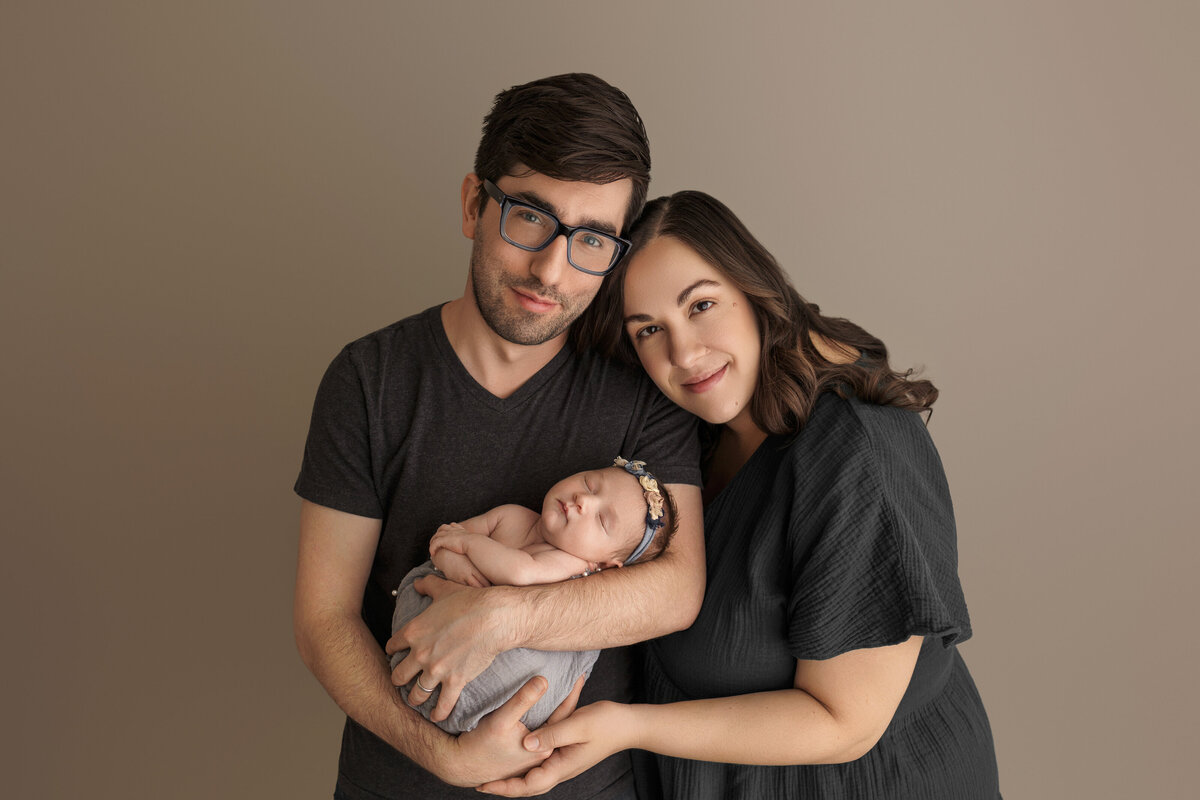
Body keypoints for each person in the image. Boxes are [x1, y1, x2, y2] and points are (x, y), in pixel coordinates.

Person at [481, 191, 1001, 799]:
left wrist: (625, 726)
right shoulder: (692, 440)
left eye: (701, 305)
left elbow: (846, 724)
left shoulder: (855, 455)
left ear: (755, 292)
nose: (684, 354)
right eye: (650, 330)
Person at [292, 74, 705, 800]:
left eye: (591, 239)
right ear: (473, 205)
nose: (552, 269)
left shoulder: (646, 391)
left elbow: (675, 589)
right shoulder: (369, 379)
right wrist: (443, 758)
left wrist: (505, 615)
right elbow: (324, 618)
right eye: (529, 218)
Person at [390, 458, 678, 735]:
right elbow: (445, 539)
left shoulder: (572, 565)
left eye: (602, 520)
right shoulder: (511, 515)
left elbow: (519, 573)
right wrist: (452, 561)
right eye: (590, 484)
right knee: (422, 577)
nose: (584, 500)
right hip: (437, 630)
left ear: (604, 564)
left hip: (489, 667)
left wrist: (466, 544)